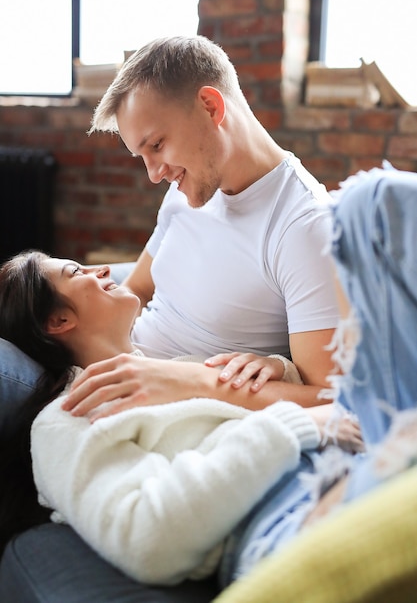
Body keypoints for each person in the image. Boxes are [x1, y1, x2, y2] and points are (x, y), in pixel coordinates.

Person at [0, 249, 357, 581]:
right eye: (77, 271)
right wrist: (294, 426)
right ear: (59, 319)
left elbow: (324, 399)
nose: (104, 269)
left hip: (344, 464)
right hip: (286, 513)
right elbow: (149, 541)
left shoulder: (179, 370)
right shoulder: (67, 419)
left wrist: (277, 368)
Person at [60, 33, 340, 418]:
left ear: (210, 107)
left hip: (169, 405)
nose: (154, 174)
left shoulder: (304, 227)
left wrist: (187, 380)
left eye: (156, 145)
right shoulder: (189, 185)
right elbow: (139, 287)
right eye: (142, 155)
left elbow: (332, 400)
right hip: (112, 367)